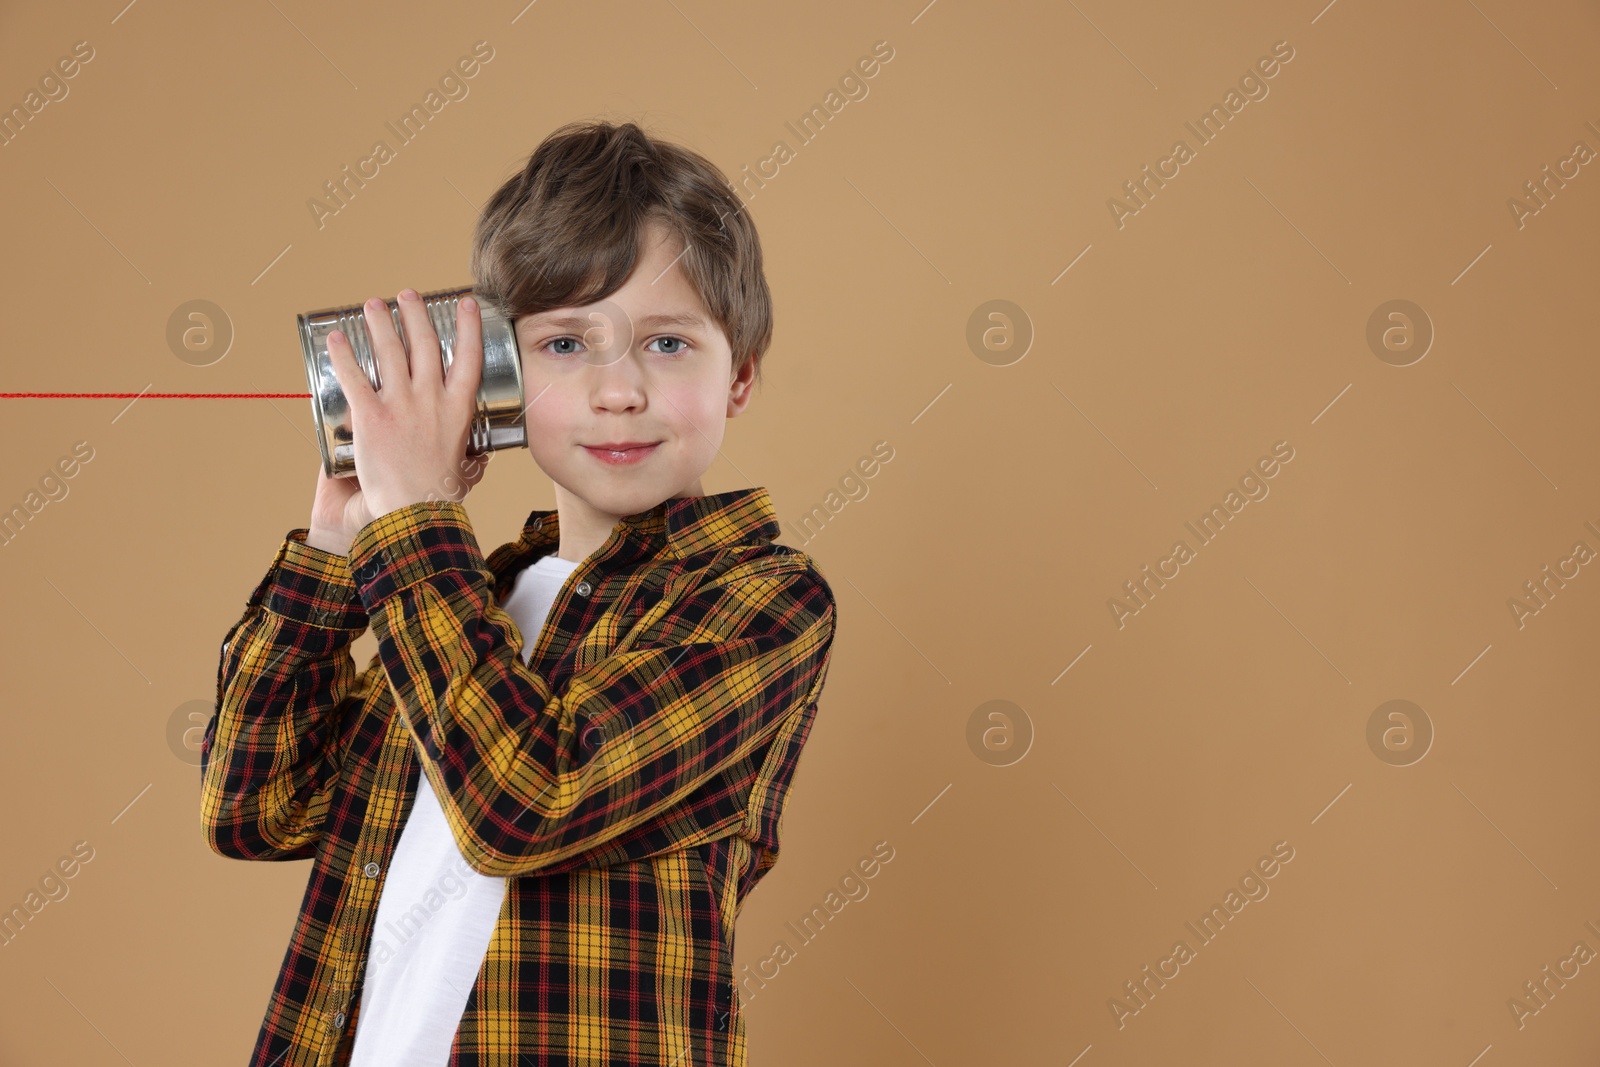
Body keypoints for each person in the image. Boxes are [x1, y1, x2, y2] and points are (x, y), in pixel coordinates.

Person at [200, 120, 839, 1067]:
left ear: (739, 374)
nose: (617, 390)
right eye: (565, 344)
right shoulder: (475, 598)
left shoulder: (762, 600)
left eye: (666, 343)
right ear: (495, 376)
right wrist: (341, 544)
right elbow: (257, 806)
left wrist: (414, 525)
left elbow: (527, 799)